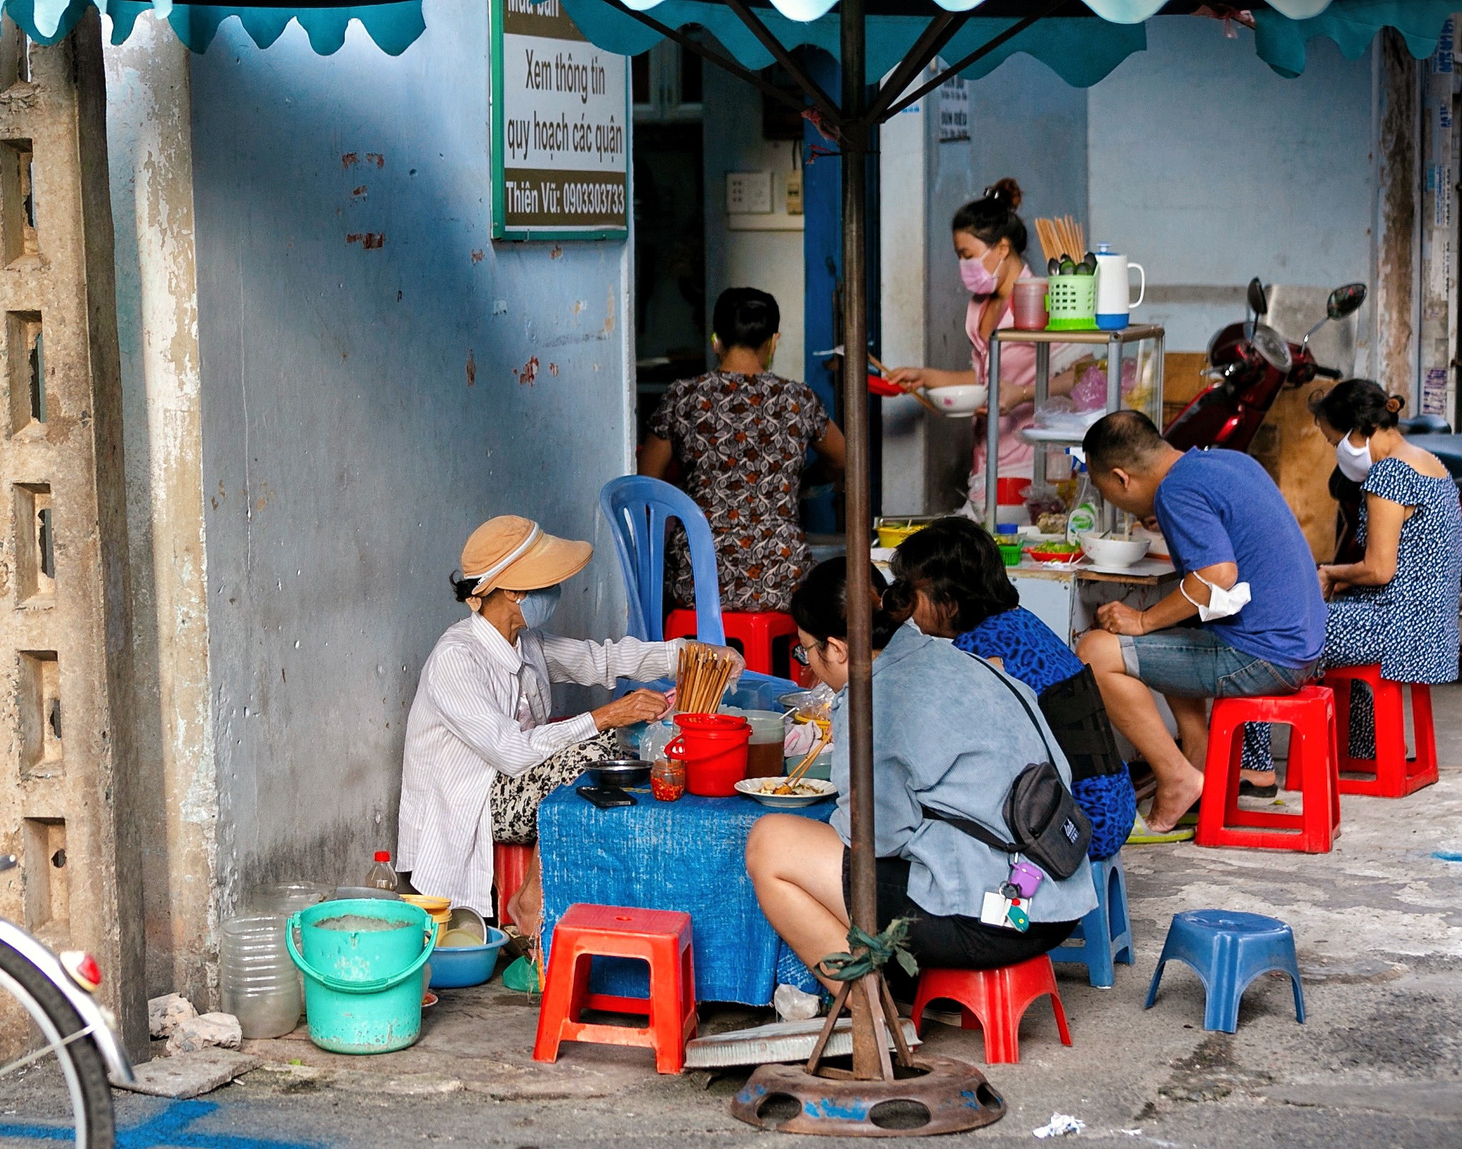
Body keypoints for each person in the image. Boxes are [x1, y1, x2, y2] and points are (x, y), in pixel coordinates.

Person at [747, 558, 1092, 1003]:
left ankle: (870, 1013)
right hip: (1057, 900)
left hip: (993, 922)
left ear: (836, 647)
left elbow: (876, 839)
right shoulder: (960, 658)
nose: (808, 666)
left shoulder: (872, 697)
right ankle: (911, 992)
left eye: (805, 650)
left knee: (770, 843)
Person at [396, 516, 736, 922]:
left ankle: (542, 889)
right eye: (546, 584)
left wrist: (690, 655)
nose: (554, 593)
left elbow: (601, 659)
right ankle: (530, 897)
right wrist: (607, 715)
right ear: (513, 591)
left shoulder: (526, 643)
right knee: (603, 745)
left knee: (620, 745)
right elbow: (513, 753)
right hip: (472, 803)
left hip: (512, 787)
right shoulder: (457, 658)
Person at [1073, 411, 1325, 832]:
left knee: (1095, 652)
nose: (1113, 503)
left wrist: (1143, 620)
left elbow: (1217, 575)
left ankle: (1175, 776)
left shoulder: (1175, 491)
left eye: (1104, 492)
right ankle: (1197, 758)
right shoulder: (1228, 461)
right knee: (1182, 629)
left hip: (1263, 657)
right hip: (1302, 647)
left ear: (1122, 478)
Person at [1237, 381, 1461, 775]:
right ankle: (1366, 746)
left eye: (1332, 440)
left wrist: (1329, 573)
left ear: (1359, 431)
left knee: (1271, 636)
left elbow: (1379, 569)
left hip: (1398, 628)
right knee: (1335, 616)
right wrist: (1339, 579)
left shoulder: (1389, 475)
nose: (1334, 450)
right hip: (1433, 630)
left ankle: (1254, 768)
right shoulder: (1431, 463)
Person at [884, 518, 1136, 860]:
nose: (908, 607)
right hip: (1113, 806)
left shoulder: (979, 654)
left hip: (1073, 827)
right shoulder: (1022, 622)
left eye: (912, 594)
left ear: (948, 602)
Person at [638, 287, 845, 616]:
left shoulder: (683, 397)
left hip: (698, 576)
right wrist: (802, 482)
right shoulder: (798, 398)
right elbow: (842, 458)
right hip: (781, 576)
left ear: (715, 341)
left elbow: (647, 482)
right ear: (773, 342)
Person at [884, 179, 1071, 515]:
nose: (963, 267)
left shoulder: (1040, 299)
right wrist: (924, 377)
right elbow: (983, 379)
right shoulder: (979, 306)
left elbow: (1082, 378)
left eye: (967, 256)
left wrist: (1023, 393)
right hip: (986, 457)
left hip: (1031, 463)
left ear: (1001, 248)